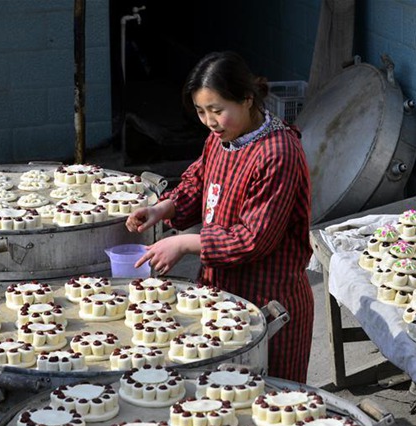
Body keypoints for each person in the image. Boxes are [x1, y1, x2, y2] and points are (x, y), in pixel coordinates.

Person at [125, 51, 314, 383]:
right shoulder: (221, 139)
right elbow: (198, 181)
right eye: (201, 111)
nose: (210, 122)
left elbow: (252, 239)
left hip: (269, 299)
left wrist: (184, 243)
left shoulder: (278, 153)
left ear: (247, 99)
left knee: (272, 398)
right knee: (222, 400)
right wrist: (161, 209)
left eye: (217, 110)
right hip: (222, 290)